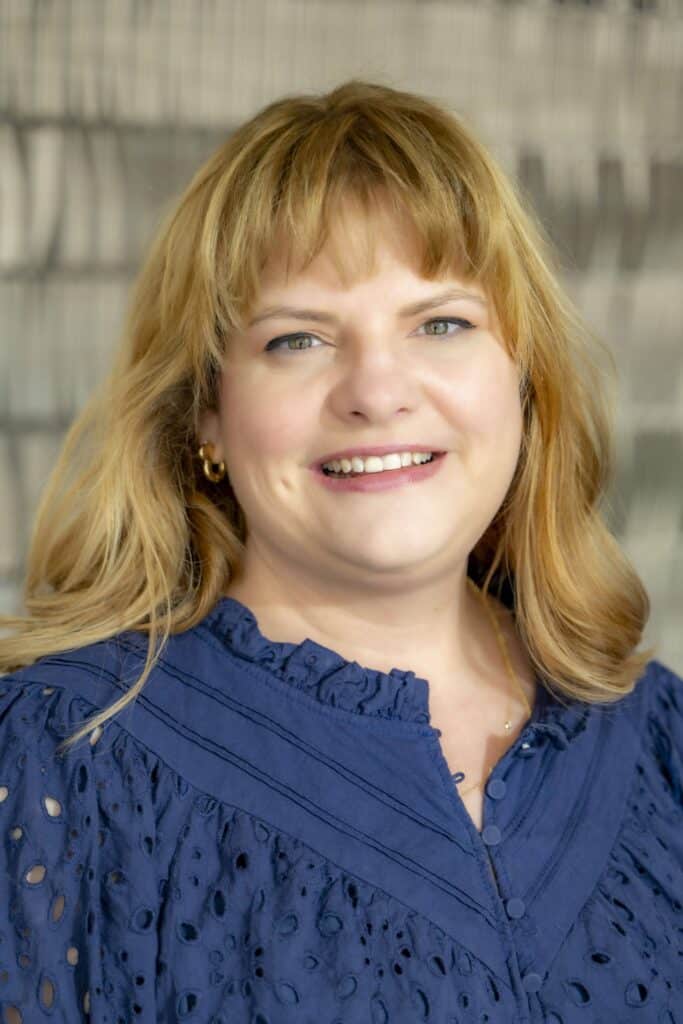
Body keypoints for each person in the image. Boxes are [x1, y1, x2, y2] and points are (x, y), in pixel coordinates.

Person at [0, 79, 680, 1023]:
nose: (375, 391)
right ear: (206, 411)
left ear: (523, 379)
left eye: (441, 323)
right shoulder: (59, 755)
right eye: (297, 340)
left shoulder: (657, 737)